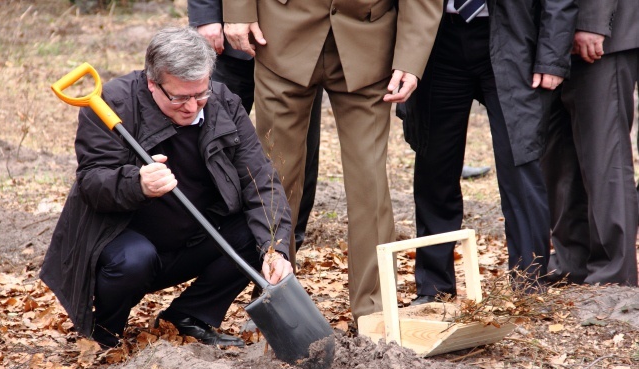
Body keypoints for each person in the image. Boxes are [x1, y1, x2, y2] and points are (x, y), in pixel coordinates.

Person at [40, 26, 293, 349]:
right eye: (179, 97)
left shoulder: (224, 104)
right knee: (135, 259)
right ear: (152, 83)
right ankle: (106, 331)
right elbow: (92, 183)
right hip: (120, 243)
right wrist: (137, 183)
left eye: (200, 94)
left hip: (192, 239)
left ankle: (189, 317)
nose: (192, 107)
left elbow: (260, 181)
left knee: (252, 234)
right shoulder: (111, 105)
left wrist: (274, 249)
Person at [222, 1, 443, 320]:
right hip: (281, 32)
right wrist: (238, 10)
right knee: (276, 177)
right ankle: (275, 300)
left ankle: (374, 311)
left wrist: (411, 55)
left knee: (370, 184)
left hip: (369, 39)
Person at [399, 0, 577, 304]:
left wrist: (552, 56)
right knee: (434, 168)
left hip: (513, 36)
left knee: (521, 166)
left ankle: (528, 285)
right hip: (437, 38)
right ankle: (434, 289)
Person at [187, 0, 323, 251]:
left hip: (300, 41)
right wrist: (207, 14)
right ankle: (199, 243)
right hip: (228, 45)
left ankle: (284, 249)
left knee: (297, 157)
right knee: (205, 143)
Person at [542, 0, 639, 286]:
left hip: (599, 34)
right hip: (550, 37)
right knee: (558, 158)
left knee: (603, 157)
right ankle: (571, 263)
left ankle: (613, 273)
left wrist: (591, 21)